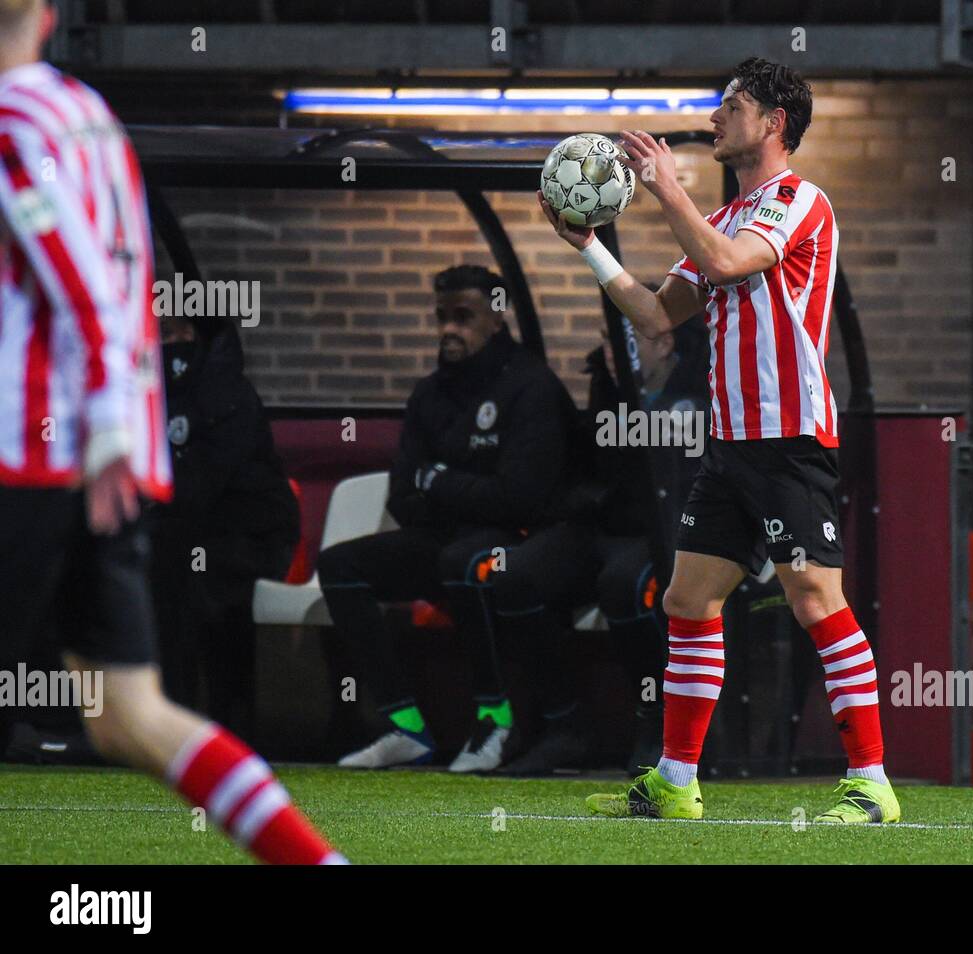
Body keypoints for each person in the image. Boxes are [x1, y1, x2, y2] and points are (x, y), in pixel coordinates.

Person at [0, 0, 343, 863]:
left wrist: (108, 419)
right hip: (100, 463)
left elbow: (77, 279)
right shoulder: (87, 116)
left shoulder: (10, 123)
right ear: (47, 18)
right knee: (128, 717)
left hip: (33, 457)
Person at [539, 57, 898, 823]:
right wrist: (590, 246)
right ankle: (675, 781)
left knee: (815, 598)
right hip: (732, 444)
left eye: (731, 107)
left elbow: (729, 264)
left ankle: (872, 783)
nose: (714, 120)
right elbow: (654, 315)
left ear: (773, 123)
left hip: (790, 438)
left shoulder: (800, 202)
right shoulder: (725, 218)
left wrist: (667, 188)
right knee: (688, 597)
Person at [318, 265, 575, 772]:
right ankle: (404, 726)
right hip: (440, 536)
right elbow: (401, 493)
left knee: (466, 561)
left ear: (496, 319)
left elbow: (518, 499)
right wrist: (457, 490)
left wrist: (438, 481)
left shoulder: (530, 386)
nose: (448, 329)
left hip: (512, 543)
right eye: (441, 317)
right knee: (340, 566)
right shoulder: (430, 393)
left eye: (463, 316)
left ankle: (494, 720)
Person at [491, 314, 710, 776]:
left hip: (668, 532)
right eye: (606, 342)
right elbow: (592, 467)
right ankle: (561, 725)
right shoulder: (607, 387)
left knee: (625, 586)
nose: (610, 352)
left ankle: (658, 729)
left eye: (623, 342)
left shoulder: (700, 392)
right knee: (514, 576)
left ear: (664, 341)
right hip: (607, 522)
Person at [151, 314, 300, 736]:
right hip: (192, 534)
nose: (173, 344)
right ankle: (161, 718)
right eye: (164, 333)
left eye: (184, 332)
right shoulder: (152, 397)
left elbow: (205, 485)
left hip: (254, 536)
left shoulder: (228, 395)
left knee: (196, 578)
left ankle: (221, 723)